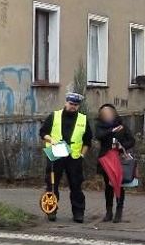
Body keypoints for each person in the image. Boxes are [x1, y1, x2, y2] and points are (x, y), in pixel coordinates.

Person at [39, 91, 94, 223]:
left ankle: (78, 213)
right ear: (66, 102)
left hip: (74, 158)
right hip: (55, 157)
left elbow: (88, 141)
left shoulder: (83, 119)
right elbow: (43, 132)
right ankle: (51, 211)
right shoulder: (54, 116)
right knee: (52, 185)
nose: (73, 106)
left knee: (76, 186)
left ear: (78, 106)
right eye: (71, 103)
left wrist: (82, 155)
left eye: (76, 104)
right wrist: (50, 140)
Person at [94, 104, 135, 223]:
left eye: (109, 113)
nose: (107, 115)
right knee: (108, 186)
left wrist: (122, 146)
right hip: (105, 159)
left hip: (119, 159)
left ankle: (119, 211)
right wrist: (111, 131)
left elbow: (131, 141)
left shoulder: (122, 126)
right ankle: (109, 212)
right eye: (105, 114)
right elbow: (99, 136)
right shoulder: (100, 126)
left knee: (119, 185)